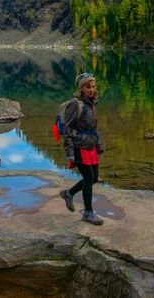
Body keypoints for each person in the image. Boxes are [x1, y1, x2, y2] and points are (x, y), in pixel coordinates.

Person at [59, 72, 105, 225]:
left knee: (93, 178)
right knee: (88, 178)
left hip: (90, 145)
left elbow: (93, 128)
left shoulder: (91, 103)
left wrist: (99, 145)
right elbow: (67, 129)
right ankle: (88, 213)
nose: (91, 89)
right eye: (87, 87)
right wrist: (70, 153)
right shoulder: (75, 104)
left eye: (93, 86)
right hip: (80, 147)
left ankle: (69, 193)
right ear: (81, 89)